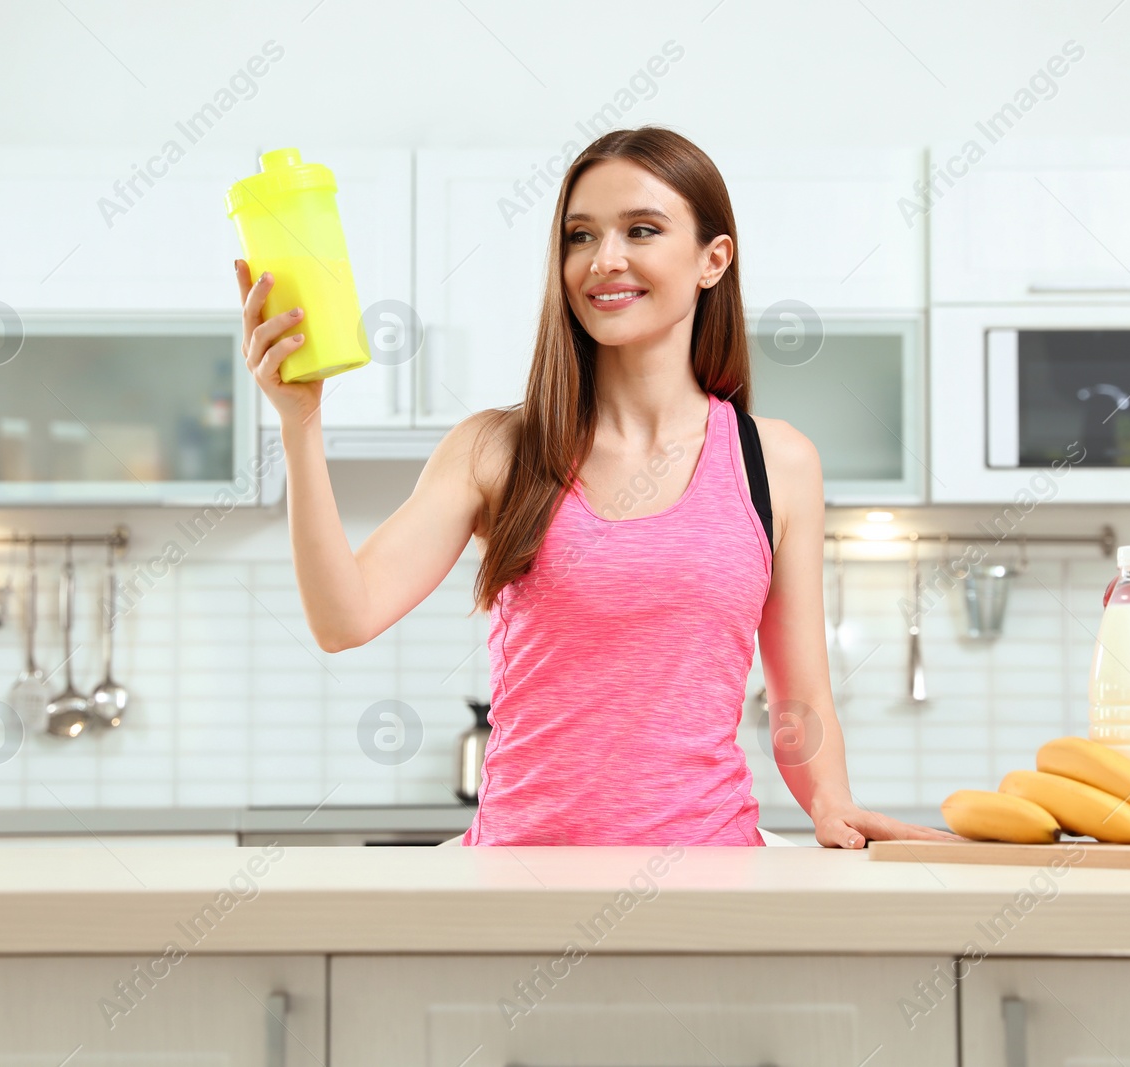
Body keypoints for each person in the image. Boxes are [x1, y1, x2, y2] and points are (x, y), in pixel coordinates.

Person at [237, 125, 958, 848]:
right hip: (521, 882)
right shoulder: (498, 449)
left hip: (714, 873)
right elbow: (343, 618)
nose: (604, 260)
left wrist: (829, 801)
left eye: (641, 229)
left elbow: (799, 699)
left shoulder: (775, 462)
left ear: (714, 259)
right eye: (580, 236)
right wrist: (301, 424)